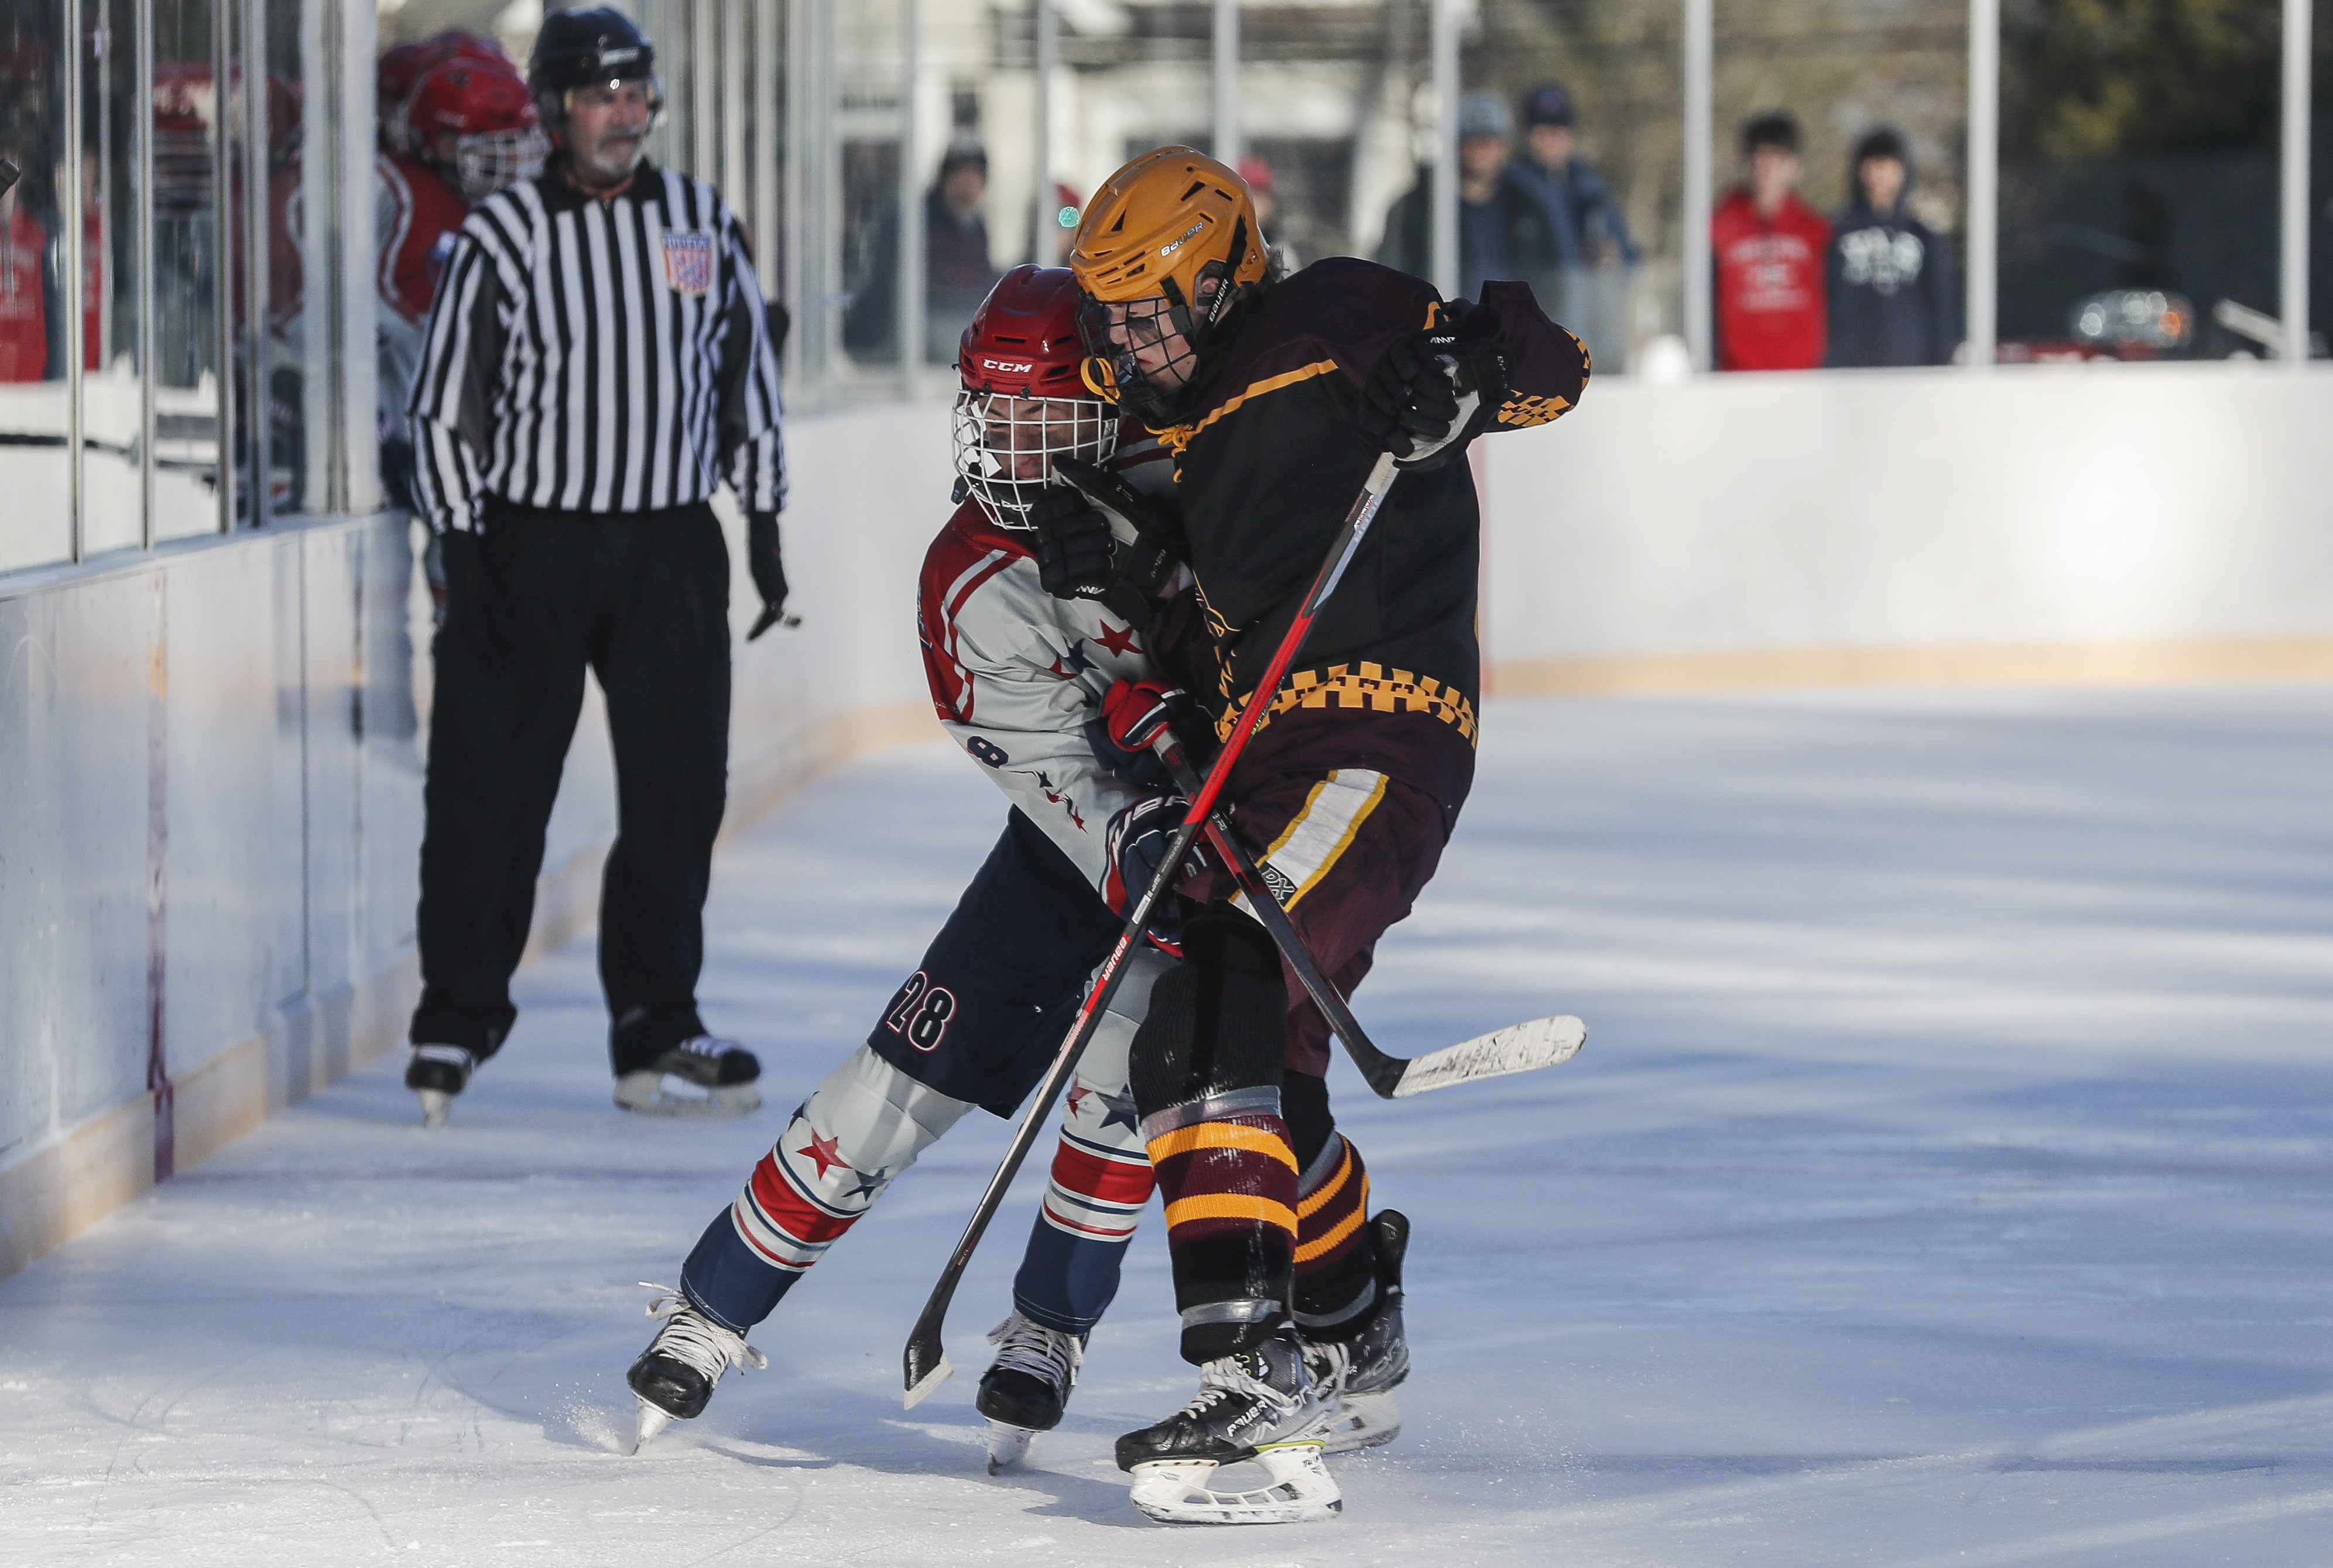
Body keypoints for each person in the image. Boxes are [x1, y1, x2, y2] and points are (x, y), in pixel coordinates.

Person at [1054, 146, 1589, 1524]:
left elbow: (1548, 356)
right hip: (1266, 757)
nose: (1123, 338)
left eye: (1143, 306)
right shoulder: (1183, 434)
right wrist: (1137, 573)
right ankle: (1352, 1319)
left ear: (1220, 270)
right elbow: (1227, 630)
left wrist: (1461, 376)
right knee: (1262, 1075)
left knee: (1206, 1000)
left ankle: (1250, 1365)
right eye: (1104, 313)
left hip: (1374, 732)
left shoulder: (1335, 316)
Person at [622, 265, 1205, 1469]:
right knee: (906, 1069)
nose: (1009, 436)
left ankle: (1048, 1324)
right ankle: (714, 1300)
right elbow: (1040, 757)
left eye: (1041, 411)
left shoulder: (1193, 484)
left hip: (1209, 846)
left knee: (1119, 1085)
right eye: (992, 410)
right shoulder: (969, 572)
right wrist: (1125, 824)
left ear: (1107, 400)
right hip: (1071, 849)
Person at [402, 7, 790, 1127]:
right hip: (531, 540)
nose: (626, 112)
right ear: (556, 109)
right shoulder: (501, 236)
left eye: (638, 90)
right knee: (490, 783)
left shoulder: (702, 221)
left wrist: (762, 523)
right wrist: (466, 541)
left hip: (669, 541)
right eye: (601, 93)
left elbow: (746, 378)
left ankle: (655, 1023)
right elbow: (442, 411)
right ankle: (457, 1012)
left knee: (679, 788)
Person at [376, 53, 546, 514]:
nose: (512, 161)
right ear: (445, 143)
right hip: (419, 428)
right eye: (496, 147)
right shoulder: (405, 196)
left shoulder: (501, 215)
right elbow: (367, 323)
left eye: (518, 145)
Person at [1376, 91, 1563, 306]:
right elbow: (1390, 277)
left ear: (1504, 147)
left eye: (1489, 142)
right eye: (1471, 141)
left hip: (1509, 334)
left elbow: (1551, 280)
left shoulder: (1528, 208)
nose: (1480, 151)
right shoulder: (1416, 209)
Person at [844, 137, 999, 363]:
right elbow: (886, 288)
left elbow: (979, 285)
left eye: (974, 182)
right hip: (906, 341)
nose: (967, 191)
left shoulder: (975, 226)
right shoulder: (914, 221)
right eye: (960, 179)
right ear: (944, 180)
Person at [1825, 126, 1961, 368]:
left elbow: (1942, 306)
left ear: (1903, 171)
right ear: (1859, 169)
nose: (1880, 174)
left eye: (1888, 164)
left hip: (1910, 368)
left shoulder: (1925, 238)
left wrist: (1940, 359)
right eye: (1873, 164)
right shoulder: (1834, 234)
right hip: (1846, 370)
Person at [1711, 111, 1830, 371]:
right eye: (1758, 155)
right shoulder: (1719, 225)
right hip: (1736, 376)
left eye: (1777, 158)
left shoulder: (1816, 230)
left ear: (1796, 166)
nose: (1765, 167)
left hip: (1803, 376)